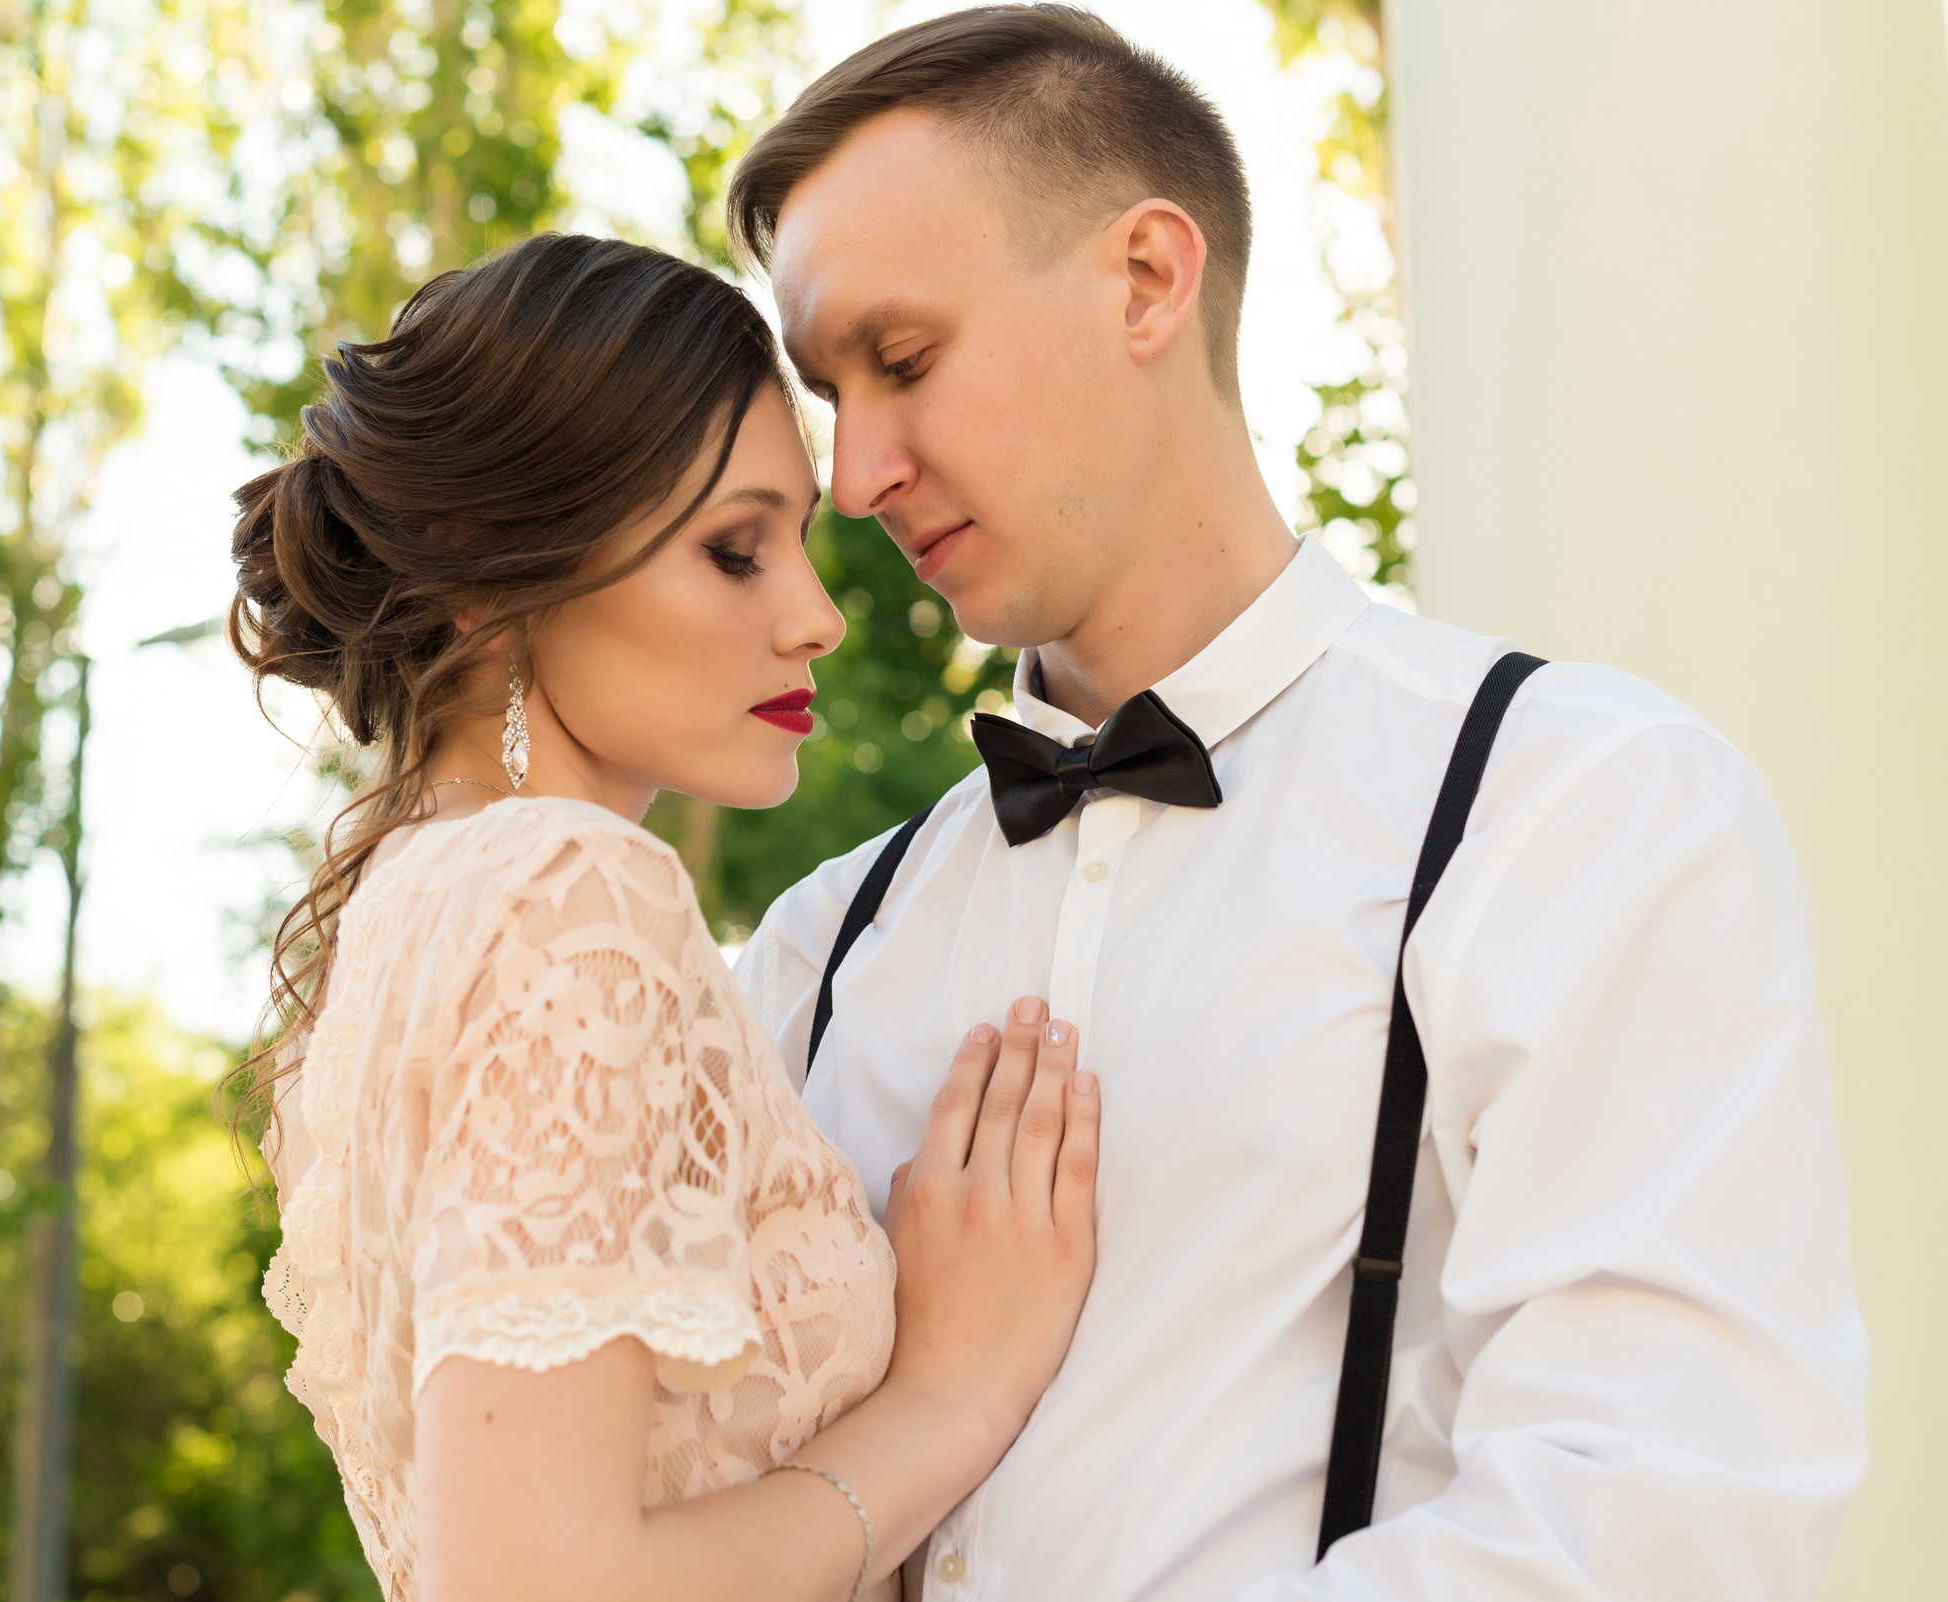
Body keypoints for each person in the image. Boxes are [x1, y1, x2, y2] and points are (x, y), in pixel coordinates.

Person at [729, 7, 1868, 1600]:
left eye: (904, 362)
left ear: (1146, 278)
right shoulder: (812, 954)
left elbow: (1667, 1518)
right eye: (830, 392)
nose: (857, 478)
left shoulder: (1580, 812)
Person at [227, 231, 1103, 1602]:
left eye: (798, 541)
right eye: (734, 551)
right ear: (491, 576)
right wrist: (951, 1396)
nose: (816, 616)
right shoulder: (570, 893)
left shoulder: (400, 926)